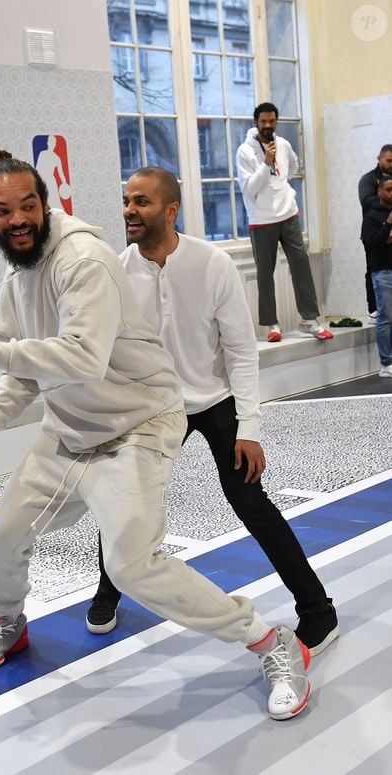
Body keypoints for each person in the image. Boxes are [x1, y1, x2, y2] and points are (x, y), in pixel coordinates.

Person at [0, 152, 311, 720]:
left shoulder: (84, 260)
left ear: (44, 205)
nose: (16, 220)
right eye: (2, 210)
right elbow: (22, 371)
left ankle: (271, 641)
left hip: (136, 427)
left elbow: (83, 358)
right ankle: (8, 624)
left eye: (26, 206)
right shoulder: (17, 277)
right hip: (68, 431)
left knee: (131, 565)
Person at [86, 167, 339, 658]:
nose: (129, 211)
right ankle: (107, 591)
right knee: (123, 502)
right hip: (151, 407)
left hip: (216, 400)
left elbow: (241, 351)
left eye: (141, 202)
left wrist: (249, 428)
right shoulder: (115, 272)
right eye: (126, 201)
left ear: (171, 210)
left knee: (251, 503)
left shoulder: (213, 264)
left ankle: (318, 611)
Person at [236, 103, 333, 344]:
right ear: (256, 122)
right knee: (265, 274)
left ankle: (309, 319)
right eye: (263, 121)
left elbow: (293, 167)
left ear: (276, 121)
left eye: (272, 121)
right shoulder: (245, 152)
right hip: (261, 220)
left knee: (301, 265)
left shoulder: (284, 145)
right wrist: (265, 163)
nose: (268, 125)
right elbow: (249, 190)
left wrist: (281, 185)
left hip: (288, 214)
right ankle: (272, 325)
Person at [361, 179, 392, 378]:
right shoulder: (371, 216)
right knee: (386, 318)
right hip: (383, 272)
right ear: (379, 192)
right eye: (389, 189)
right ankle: (386, 363)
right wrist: (388, 224)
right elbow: (373, 244)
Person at [358, 145, 392, 320]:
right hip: (373, 228)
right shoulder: (368, 179)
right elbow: (366, 201)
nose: (391, 164)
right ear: (379, 158)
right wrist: (384, 196)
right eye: (389, 161)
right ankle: (373, 308)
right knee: (373, 267)